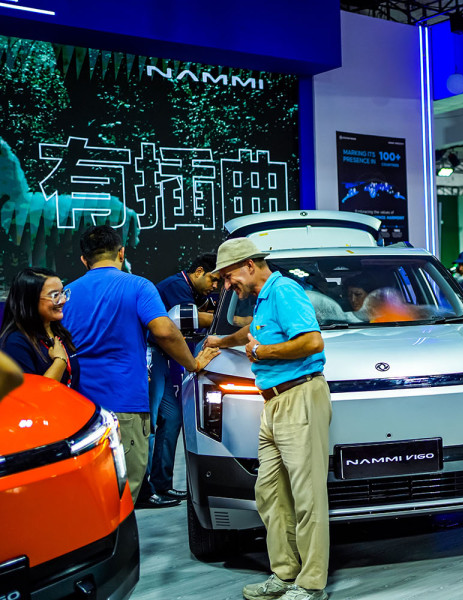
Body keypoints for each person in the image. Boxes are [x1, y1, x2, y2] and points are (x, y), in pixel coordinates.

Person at [204, 238, 331, 600]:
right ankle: (285, 574)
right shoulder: (263, 299)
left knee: (307, 497)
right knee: (270, 493)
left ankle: (311, 584)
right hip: (274, 403)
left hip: (299, 398)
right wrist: (220, 342)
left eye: (228, 276)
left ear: (249, 265)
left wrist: (260, 352)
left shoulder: (284, 290)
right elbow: (251, 332)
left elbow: (312, 342)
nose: (227, 285)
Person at [62, 225, 218, 506]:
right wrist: (193, 363)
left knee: (90, 494)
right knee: (124, 496)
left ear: (84, 259)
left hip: (80, 407)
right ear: (121, 253)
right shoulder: (138, 286)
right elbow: (165, 331)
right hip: (125, 403)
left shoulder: (67, 293)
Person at [144, 253, 221, 507]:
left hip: (166, 359)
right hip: (152, 357)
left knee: (172, 419)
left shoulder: (193, 290)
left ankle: (162, 485)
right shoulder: (177, 286)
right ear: (198, 272)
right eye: (213, 280)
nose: (215, 286)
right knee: (150, 424)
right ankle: (145, 490)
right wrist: (233, 320)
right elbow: (190, 319)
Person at [0, 267, 80, 388]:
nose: (63, 300)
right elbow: (31, 394)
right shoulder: (15, 343)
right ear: (30, 300)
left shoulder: (59, 332)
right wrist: (60, 361)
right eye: (55, 295)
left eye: (63, 293)